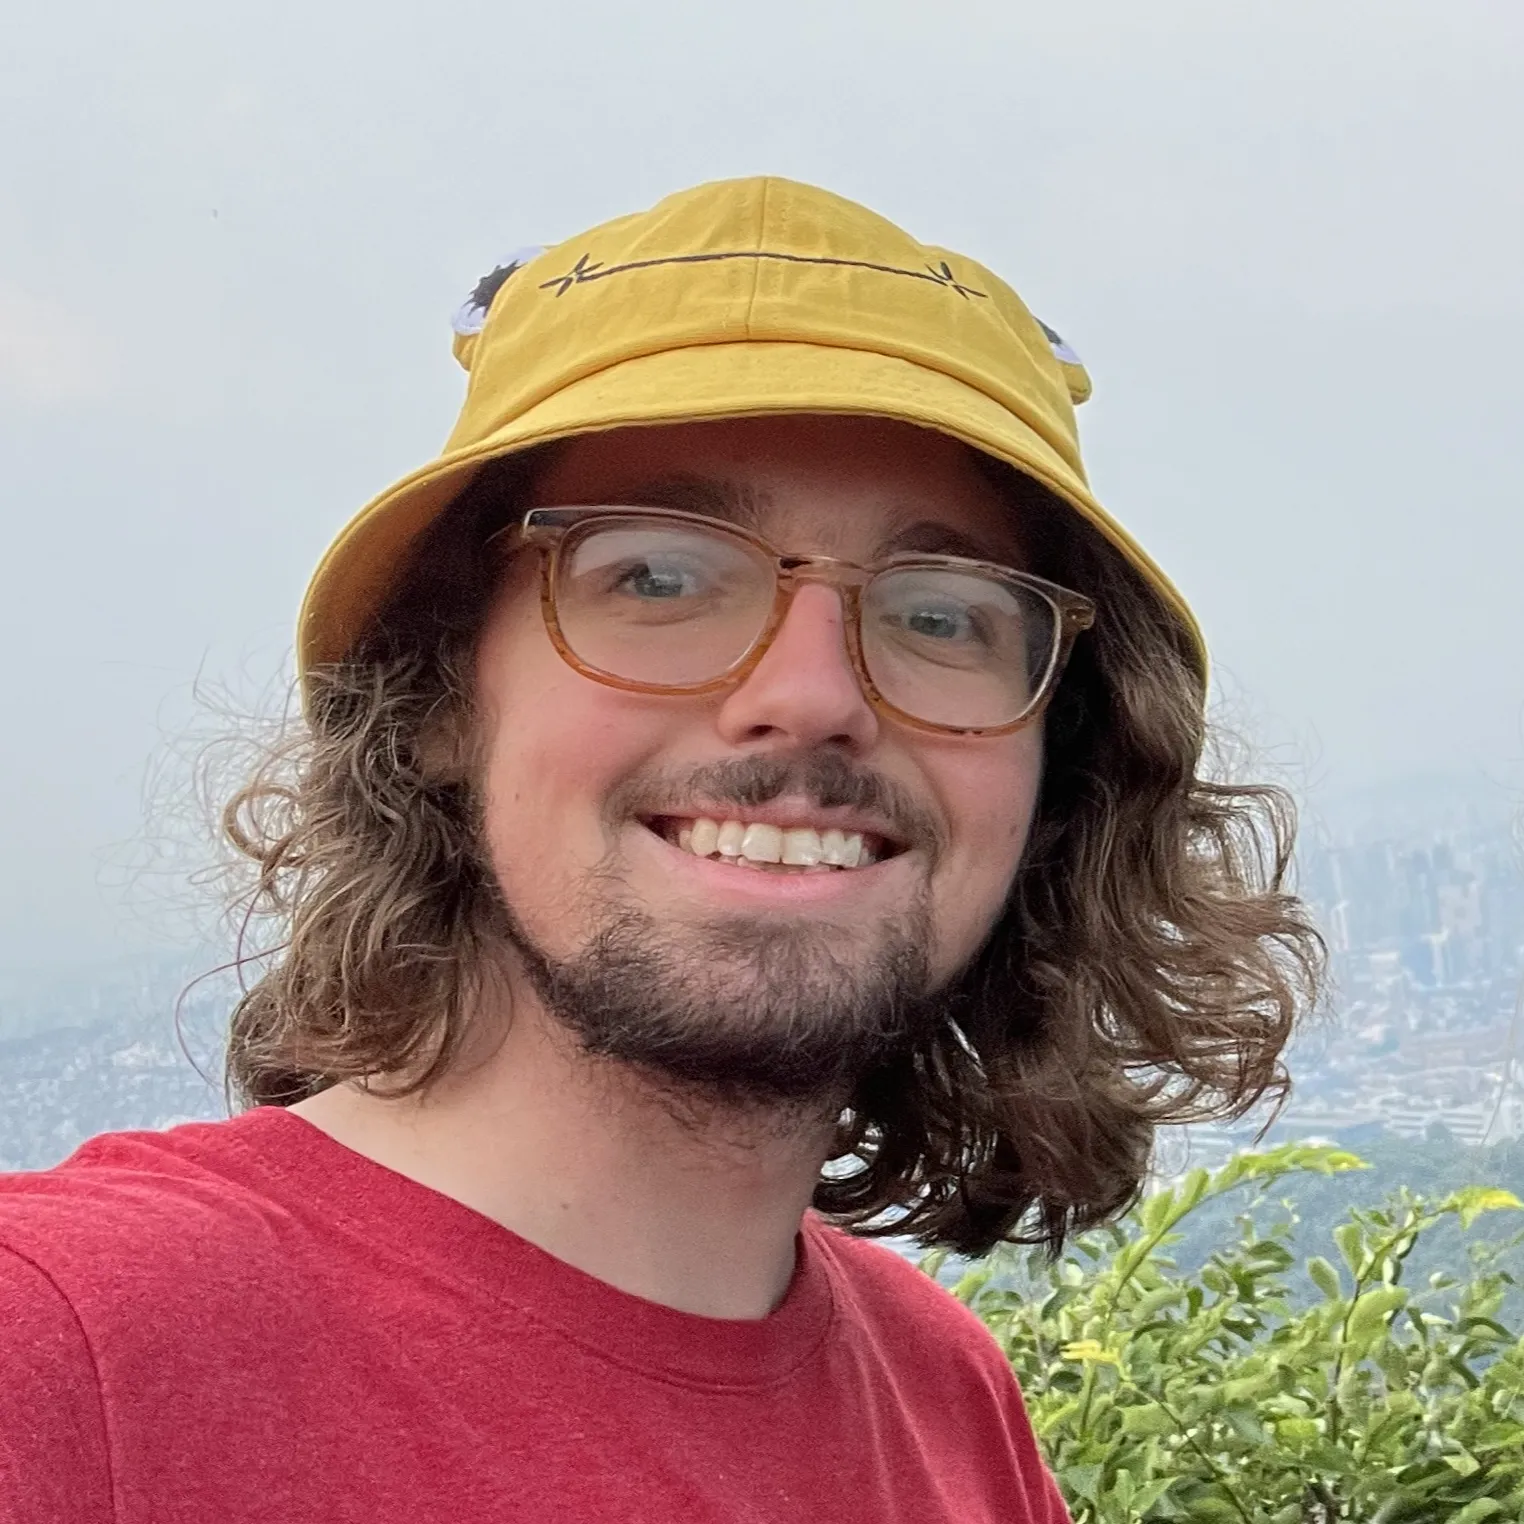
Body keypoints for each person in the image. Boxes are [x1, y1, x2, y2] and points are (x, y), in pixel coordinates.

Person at [0, 177, 1322, 1522]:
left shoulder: (947, 1405)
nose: (811, 694)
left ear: (1057, 769)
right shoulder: (62, 1359)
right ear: (442, 699)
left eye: (943, 614)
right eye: (658, 578)